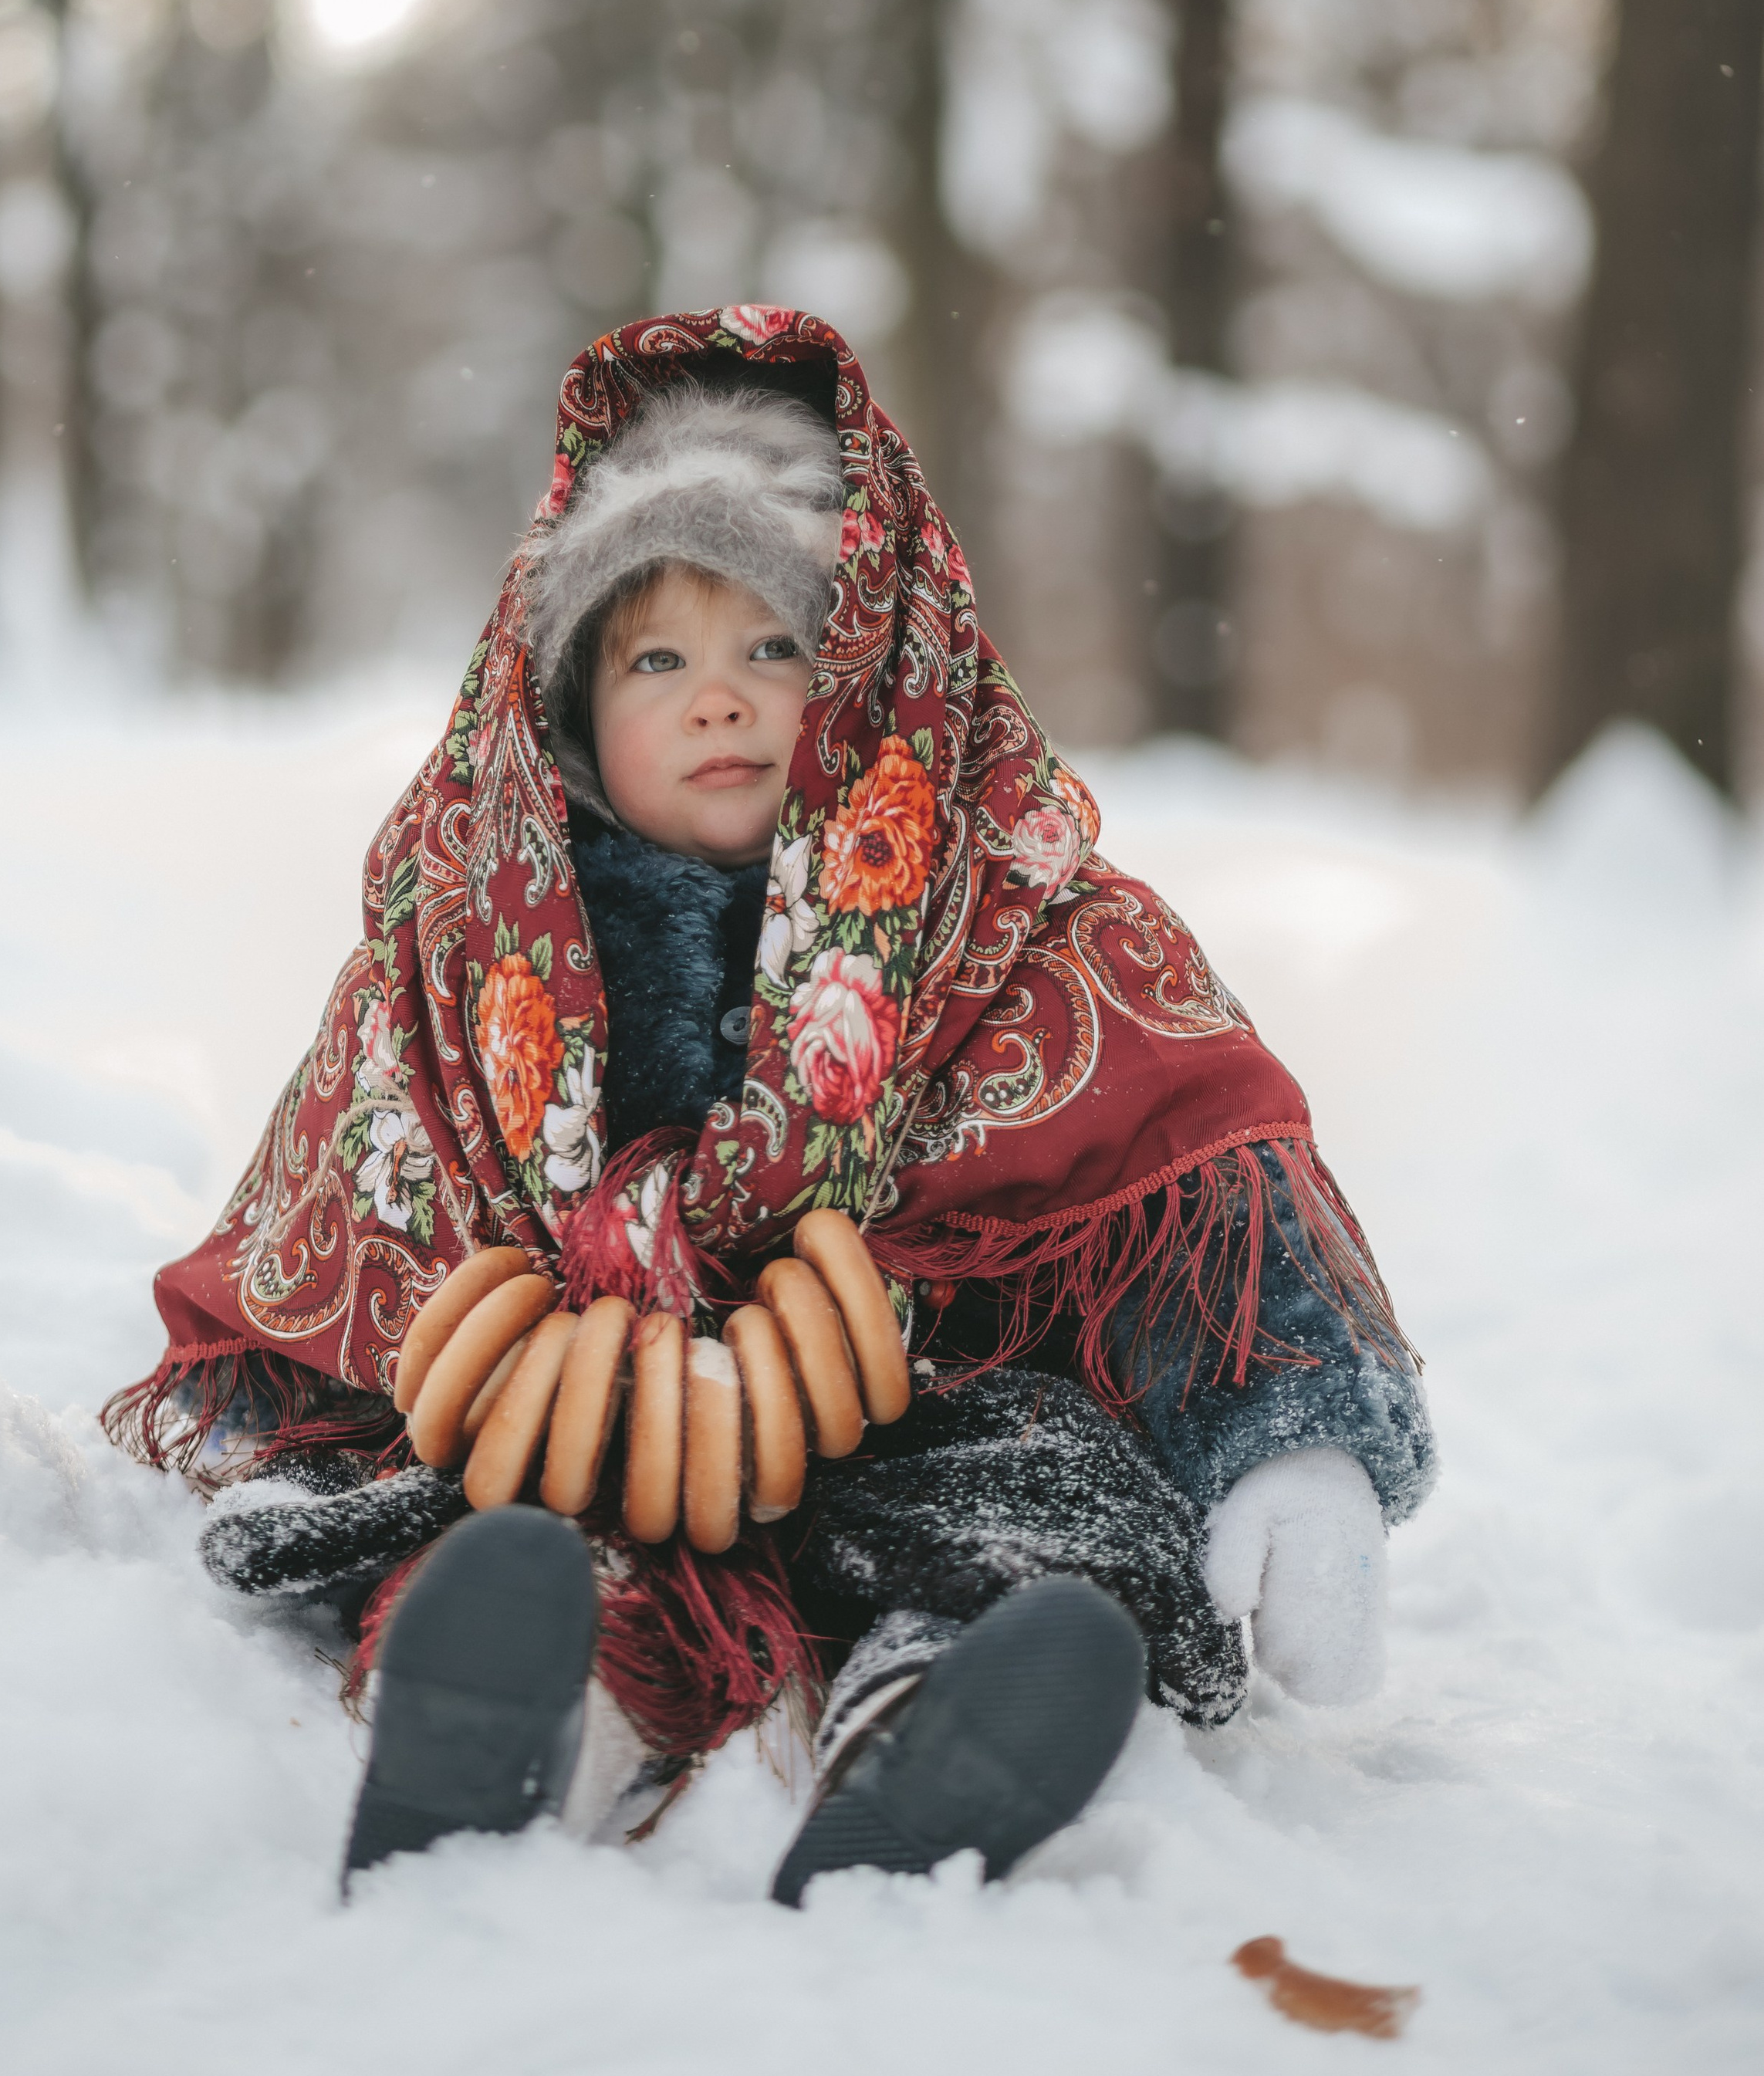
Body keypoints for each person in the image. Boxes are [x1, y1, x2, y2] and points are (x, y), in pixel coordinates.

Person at [106, 309, 1434, 1902]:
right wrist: (430, 1358)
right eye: (655, 659)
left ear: (869, 668)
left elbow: (1190, 1182)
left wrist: (1293, 1443)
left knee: (1029, 1501)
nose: (717, 700)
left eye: (772, 649)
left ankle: (944, 1717)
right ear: (567, 705)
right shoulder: (471, 948)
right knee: (505, 1507)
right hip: (580, 1396)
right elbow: (355, 1182)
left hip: (916, 1393)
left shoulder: (1016, 925)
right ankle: (517, 1702)